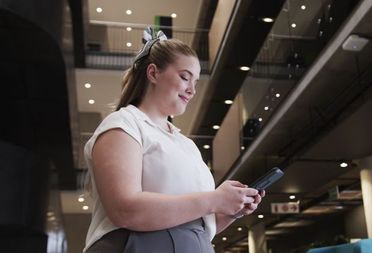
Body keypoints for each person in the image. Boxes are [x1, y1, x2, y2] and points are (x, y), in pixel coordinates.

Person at [83, 28, 265, 253]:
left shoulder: (186, 145)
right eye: (185, 77)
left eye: (196, 82)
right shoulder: (124, 124)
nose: (192, 90)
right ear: (153, 73)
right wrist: (215, 199)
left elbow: (199, 225)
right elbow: (125, 210)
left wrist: (229, 210)